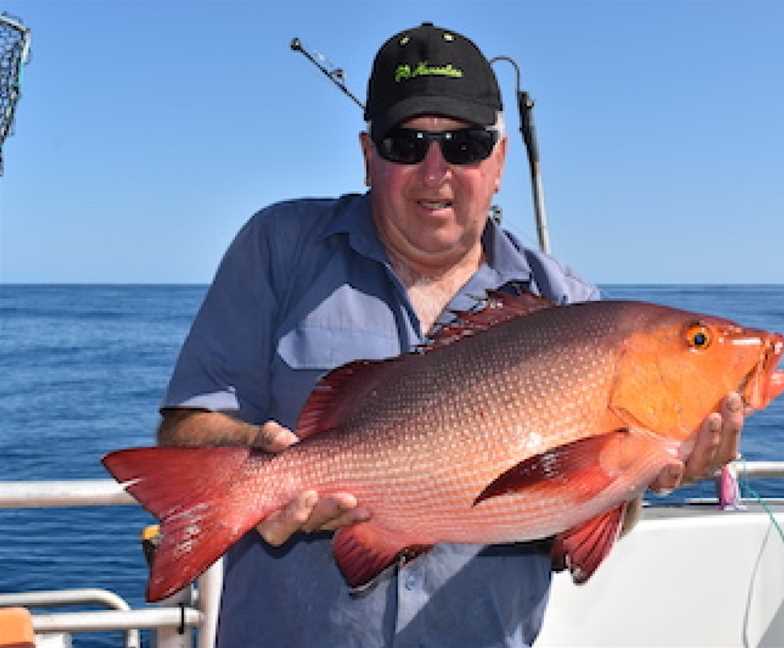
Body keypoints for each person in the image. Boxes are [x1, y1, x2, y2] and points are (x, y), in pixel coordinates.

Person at [157, 22, 746, 647]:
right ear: (366, 155)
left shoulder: (569, 306)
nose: (434, 170)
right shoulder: (279, 247)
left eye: (463, 145)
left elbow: (592, 517)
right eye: (406, 143)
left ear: (498, 161)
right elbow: (185, 430)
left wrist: (650, 472)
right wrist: (261, 467)